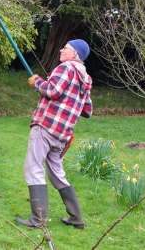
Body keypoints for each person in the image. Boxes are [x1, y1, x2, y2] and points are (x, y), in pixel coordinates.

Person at [15, 39, 93, 230]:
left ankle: (38, 220)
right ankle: (76, 218)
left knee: (33, 167)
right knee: (57, 173)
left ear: (75, 54)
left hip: (46, 127)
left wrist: (37, 82)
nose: (61, 50)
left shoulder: (65, 68)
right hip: (63, 134)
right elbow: (87, 110)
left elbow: (53, 91)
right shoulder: (85, 78)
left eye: (65, 48)